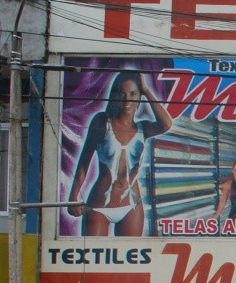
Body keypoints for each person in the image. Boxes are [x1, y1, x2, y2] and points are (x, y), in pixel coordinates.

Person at [67, 71, 173, 237]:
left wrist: (146, 90)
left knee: (130, 259)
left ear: (139, 97)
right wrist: (73, 196)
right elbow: (83, 162)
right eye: (122, 94)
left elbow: (166, 124)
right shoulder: (102, 122)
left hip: (132, 206)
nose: (127, 100)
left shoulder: (143, 129)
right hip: (100, 205)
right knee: (93, 259)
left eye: (133, 94)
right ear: (115, 95)